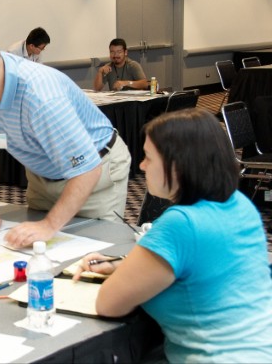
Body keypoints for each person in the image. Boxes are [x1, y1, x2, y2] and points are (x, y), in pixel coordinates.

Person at [73, 108, 272, 363]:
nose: (142, 166)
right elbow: (201, 265)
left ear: (177, 166)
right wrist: (121, 266)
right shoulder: (239, 204)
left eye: (148, 157)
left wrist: (125, 273)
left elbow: (108, 305)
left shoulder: (180, 224)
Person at [0, 23, 131, 248]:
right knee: (36, 252)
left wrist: (49, 225)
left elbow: (88, 168)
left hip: (95, 174)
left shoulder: (40, 96)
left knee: (94, 252)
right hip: (44, 177)